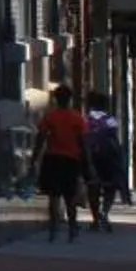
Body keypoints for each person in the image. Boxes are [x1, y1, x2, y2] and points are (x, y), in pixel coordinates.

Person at [33, 84, 92, 244]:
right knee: (70, 196)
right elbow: (83, 142)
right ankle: (72, 228)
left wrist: (34, 158)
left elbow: (41, 138)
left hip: (52, 158)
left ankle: (53, 229)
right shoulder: (77, 118)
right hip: (71, 160)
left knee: (53, 196)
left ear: (56, 99)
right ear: (70, 99)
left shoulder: (50, 117)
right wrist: (87, 163)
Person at [85, 90, 129, 232]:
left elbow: (85, 139)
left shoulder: (88, 120)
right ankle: (104, 212)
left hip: (93, 156)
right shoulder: (110, 119)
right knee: (110, 187)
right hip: (109, 158)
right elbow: (115, 138)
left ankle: (95, 218)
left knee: (93, 188)